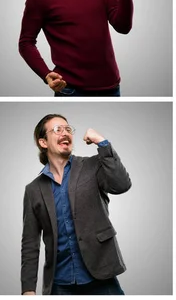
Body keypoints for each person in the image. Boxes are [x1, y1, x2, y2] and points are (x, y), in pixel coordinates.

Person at [22, 114, 131, 295]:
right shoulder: (33, 189)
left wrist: (102, 143)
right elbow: (30, 242)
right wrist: (28, 289)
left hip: (101, 276)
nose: (65, 133)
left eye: (68, 129)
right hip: (60, 283)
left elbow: (121, 185)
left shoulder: (92, 165)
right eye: (58, 130)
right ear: (43, 143)